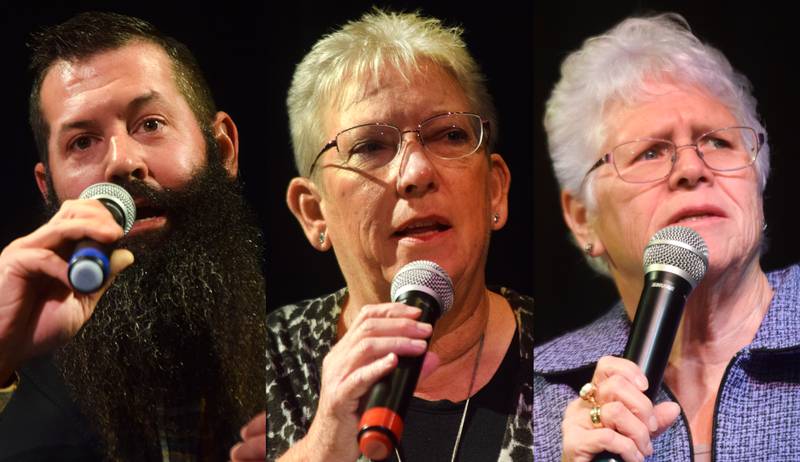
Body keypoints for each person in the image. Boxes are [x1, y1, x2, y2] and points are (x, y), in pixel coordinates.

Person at [266, 9, 533, 462]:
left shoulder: (563, 359)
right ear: (314, 213)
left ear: (495, 190)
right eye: (370, 146)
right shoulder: (258, 361)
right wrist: (321, 448)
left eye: (448, 134)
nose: (416, 172)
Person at [533, 13, 800, 461]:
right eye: (651, 152)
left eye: (718, 141)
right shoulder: (532, 397)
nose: (693, 169)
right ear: (583, 218)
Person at [0, 12, 266, 461]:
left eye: (150, 124)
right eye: (82, 142)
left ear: (222, 149)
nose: (122, 162)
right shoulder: (14, 368)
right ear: (47, 189)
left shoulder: (312, 347)